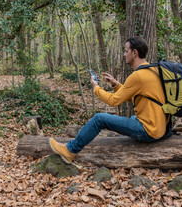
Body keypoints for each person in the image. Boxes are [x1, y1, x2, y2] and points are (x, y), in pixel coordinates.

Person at [49, 36, 169, 164]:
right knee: (132, 119)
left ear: (134, 53)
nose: (124, 55)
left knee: (99, 119)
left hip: (149, 131)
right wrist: (115, 84)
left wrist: (96, 88)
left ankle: (70, 150)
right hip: (160, 128)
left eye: (126, 51)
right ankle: (123, 145)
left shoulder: (138, 76)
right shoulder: (153, 71)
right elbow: (134, 97)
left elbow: (113, 101)